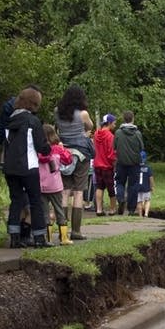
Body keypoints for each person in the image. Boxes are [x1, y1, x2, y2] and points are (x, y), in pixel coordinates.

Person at [3, 87, 52, 248]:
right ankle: (39, 238)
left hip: (10, 167)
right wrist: (49, 148)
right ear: (35, 103)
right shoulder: (33, 121)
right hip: (28, 166)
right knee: (35, 201)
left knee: (15, 201)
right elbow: (41, 146)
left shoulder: (9, 121)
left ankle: (14, 237)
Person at [55, 85, 94, 240]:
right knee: (78, 192)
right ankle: (76, 231)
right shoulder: (83, 114)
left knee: (64, 191)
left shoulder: (57, 111)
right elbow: (90, 126)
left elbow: (57, 129)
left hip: (64, 153)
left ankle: (62, 230)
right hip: (81, 154)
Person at [38, 124, 73, 245]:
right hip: (55, 185)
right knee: (59, 210)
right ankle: (64, 237)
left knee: (45, 212)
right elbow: (68, 160)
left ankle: (48, 238)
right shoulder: (57, 149)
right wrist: (63, 149)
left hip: (41, 185)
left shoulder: (38, 150)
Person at [113, 110, 145, 215]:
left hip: (121, 162)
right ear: (132, 119)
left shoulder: (118, 132)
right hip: (134, 163)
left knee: (119, 182)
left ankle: (121, 199)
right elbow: (141, 148)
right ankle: (131, 209)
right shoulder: (137, 133)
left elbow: (114, 146)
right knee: (133, 185)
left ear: (123, 119)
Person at [92, 113, 117, 216]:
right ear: (109, 123)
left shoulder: (96, 134)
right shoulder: (110, 136)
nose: (115, 125)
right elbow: (111, 153)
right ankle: (112, 209)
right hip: (107, 166)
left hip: (97, 164)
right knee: (111, 188)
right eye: (114, 123)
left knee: (99, 187)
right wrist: (114, 163)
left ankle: (99, 209)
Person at [137, 153, 154, 217]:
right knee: (147, 200)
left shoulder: (135, 168)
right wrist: (152, 186)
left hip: (138, 188)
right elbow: (151, 178)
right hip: (146, 187)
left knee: (139, 201)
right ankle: (146, 214)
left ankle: (140, 215)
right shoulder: (148, 168)